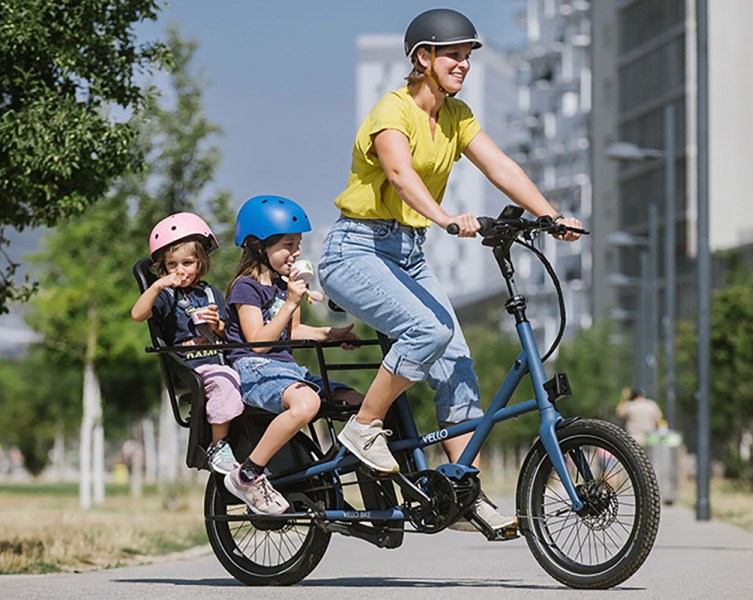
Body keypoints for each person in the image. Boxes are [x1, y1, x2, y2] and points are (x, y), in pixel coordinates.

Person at [317, 8, 584, 533]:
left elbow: (501, 167)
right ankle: (364, 428)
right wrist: (442, 217)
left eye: (467, 56)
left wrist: (548, 215)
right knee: (429, 330)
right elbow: (398, 173)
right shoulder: (391, 111)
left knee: (458, 362)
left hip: (408, 252)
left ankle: (463, 490)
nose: (464, 64)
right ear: (424, 58)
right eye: (453, 55)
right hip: (355, 251)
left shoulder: (457, 116)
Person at [223, 195, 362, 515]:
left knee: (361, 402)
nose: (296, 252)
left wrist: (332, 335)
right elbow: (258, 343)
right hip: (254, 368)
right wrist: (290, 303)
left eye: (298, 243)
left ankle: (335, 471)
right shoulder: (245, 287)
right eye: (288, 244)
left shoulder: (285, 285)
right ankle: (249, 474)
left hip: (287, 371)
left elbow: (293, 332)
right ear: (259, 247)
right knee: (307, 403)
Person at [131, 212, 244, 475]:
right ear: (164, 267)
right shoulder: (166, 295)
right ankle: (218, 446)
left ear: (200, 262)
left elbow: (228, 333)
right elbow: (137, 315)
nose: (181, 270)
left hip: (216, 359)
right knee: (225, 378)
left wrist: (217, 326)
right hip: (190, 367)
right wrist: (158, 286)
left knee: (245, 375)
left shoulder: (209, 293)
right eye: (172, 265)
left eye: (188, 262)